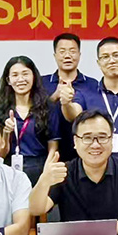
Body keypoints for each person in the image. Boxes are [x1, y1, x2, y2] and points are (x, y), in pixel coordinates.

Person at [30, 110, 118, 228]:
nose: (95, 145)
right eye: (87, 138)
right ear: (75, 141)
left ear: (112, 140)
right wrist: (44, 181)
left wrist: (100, 229)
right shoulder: (64, 172)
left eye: (102, 137)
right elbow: (36, 210)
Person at [64, 37, 118, 185]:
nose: (111, 60)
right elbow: (73, 114)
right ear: (99, 63)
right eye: (105, 57)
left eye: (116, 55)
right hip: (93, 174)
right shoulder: (85, 94)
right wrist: (66, 103)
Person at [0, 56, 59, 187]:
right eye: (15, 75)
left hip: (39, 167)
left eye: (25, 74)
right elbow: (0, 153)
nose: (20, 79)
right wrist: (6, 133)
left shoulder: (47, 108)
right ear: (8, 80)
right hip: (9, 169)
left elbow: (53, 146)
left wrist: (46, 174)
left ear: (34, 77)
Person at [43, 33, 99, 162]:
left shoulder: (92, 84)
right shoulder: (42, 83)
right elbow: (32, 113)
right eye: (62, 51)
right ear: (55, 55)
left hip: (85, 152)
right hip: (48, 151)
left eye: (72, 51)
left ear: (79, 55)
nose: (67, 56)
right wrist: (54, 97)